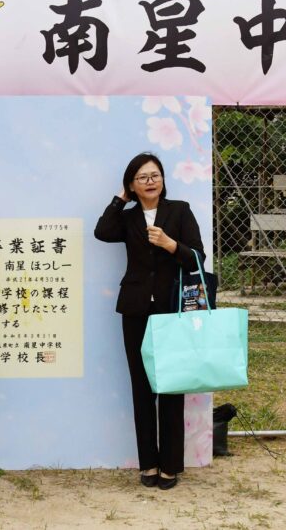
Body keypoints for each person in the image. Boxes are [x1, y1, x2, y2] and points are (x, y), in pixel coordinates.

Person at [94, 152, 205, 490]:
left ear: (163, 179)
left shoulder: (180, 210)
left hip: (172, 309)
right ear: (132, 184)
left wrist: (171, 245)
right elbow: (102, 231)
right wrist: (120, 198)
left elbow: (198, 258)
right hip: (136, 308)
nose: (150, 181)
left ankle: (170, 465)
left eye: (155, 175)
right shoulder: (127, 218)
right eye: (142, 177)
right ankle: (149, 464)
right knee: (142, 388)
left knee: (171, 385)